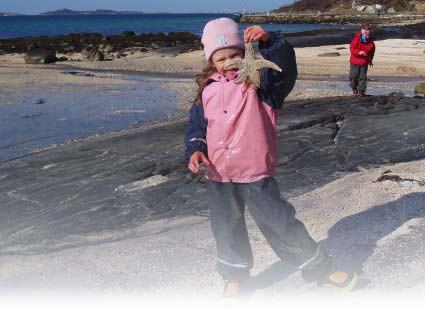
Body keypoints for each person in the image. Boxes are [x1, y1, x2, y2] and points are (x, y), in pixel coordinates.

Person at [184, 18, 358, 296]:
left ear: (246, 53)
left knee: (280, 222)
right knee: (226, 226)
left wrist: (271, 41)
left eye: (235, 54)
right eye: (221, 58)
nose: (229, 62)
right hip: (217, 173)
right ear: (211, 62)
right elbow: (197, 128)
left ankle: (320, 269)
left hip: (254, 171)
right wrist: (195, 149)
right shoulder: (207, 91)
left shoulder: (262, 87)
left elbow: (285, 69)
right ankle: (235, 276)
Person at [349, 25, 375, 97]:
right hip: (354, 61)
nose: (367, 36)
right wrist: (358, 52)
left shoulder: (371, 44)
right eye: (366, 35)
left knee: (363, 77)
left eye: (369, 35)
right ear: (363, 32)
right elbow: (352, 49)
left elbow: (371, 53)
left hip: (364, 62)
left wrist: (370, 60)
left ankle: (361, 91)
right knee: (354, 76)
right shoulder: (356, 39)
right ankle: (354, 87)